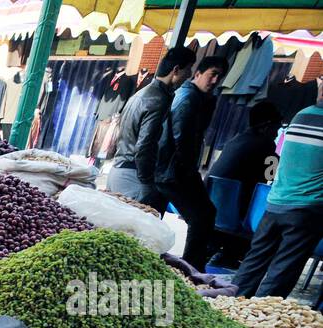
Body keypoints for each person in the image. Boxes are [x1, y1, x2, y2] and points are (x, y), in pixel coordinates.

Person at [233, 84, 323, 297]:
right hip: (306, 210)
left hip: (274, 204)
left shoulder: (302, 115)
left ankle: (228, 306)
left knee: (252, 265)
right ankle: (256, 322)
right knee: (281, 273)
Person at [157, 56, 228, 269]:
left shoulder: (197, 98)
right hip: (174, 171)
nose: (215, 80)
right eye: (212, 74)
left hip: (173, 170)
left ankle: (190, 265)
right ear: (197, 73)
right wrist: (188, 171)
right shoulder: (188, 98)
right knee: (203, 216)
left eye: (219, 76)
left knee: (200, 215)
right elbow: (182, 138)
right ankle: (191, 267)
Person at [107, 46, 197, 210]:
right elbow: (145, 146)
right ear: (176, 70)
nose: (189, 75)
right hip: (132, 177)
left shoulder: (143, 93)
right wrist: (147, 183)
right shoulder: (158, 99)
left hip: (119, 171)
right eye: (188, 69)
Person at [209, 101, 283, 219]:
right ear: (265, 127)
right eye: (276, 129)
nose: (276, 134)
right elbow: (272, 176)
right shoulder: (265, 144)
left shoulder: (236, 139)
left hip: (210, 204)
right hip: (232, 213)